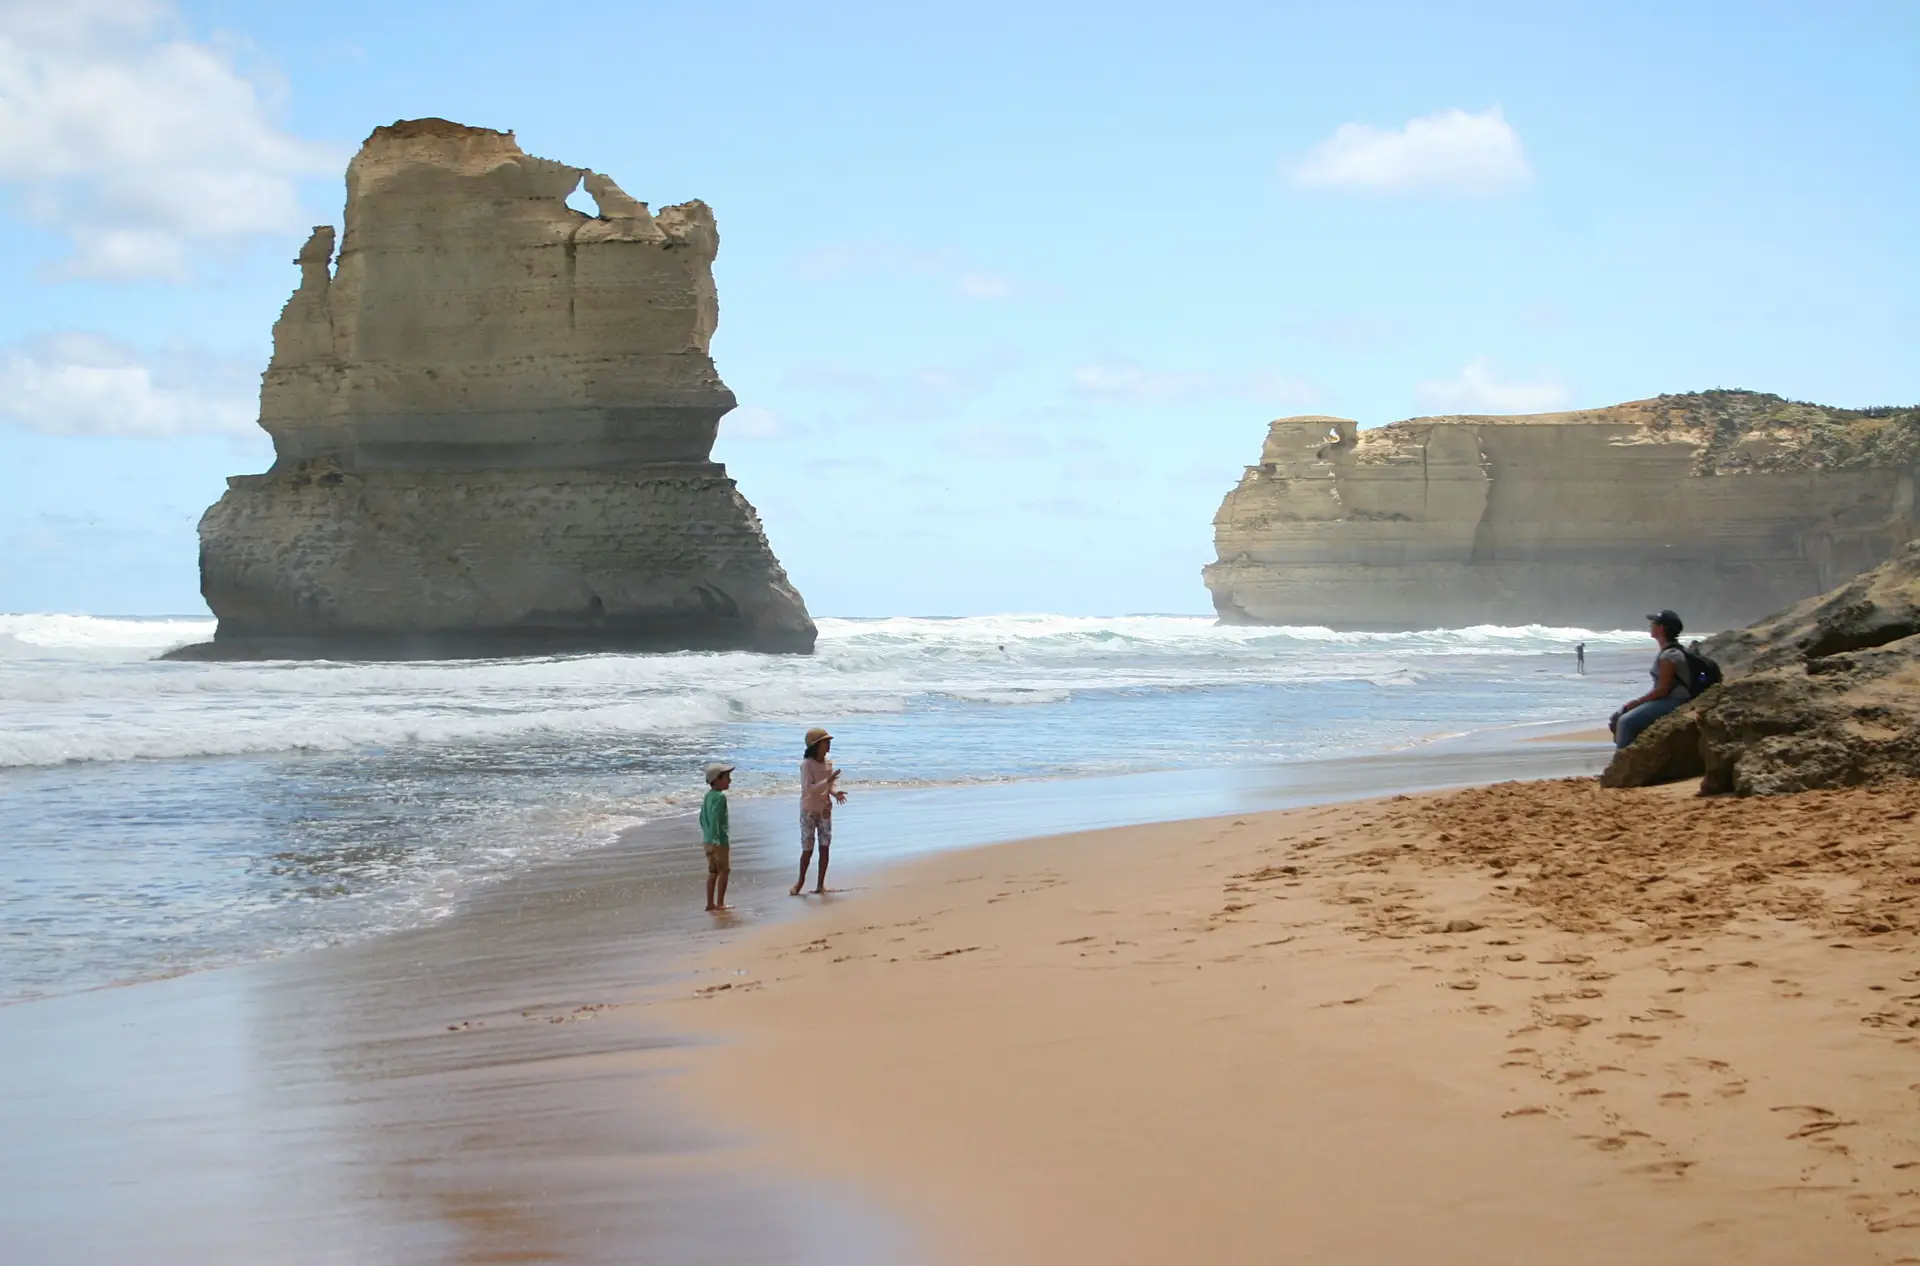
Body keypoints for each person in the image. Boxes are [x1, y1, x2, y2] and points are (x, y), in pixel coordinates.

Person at [1609, 610, 1692, 749]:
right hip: (1669, 699)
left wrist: (1637, 702)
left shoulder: (1670, 655)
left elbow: (1663, 690)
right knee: (1619, 716)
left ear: (1662, 628)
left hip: (1675, 700)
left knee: (1625, 722)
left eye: (1654, 623)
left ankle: (1621, 762)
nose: (1651, 625)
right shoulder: (1670, 651)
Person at [792, 726, 847, 896]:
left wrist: (835, 792)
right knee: (807, 850)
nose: (828, 745)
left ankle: (820, 884)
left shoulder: (828, 763)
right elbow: (809, 789)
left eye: (829, 742)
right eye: (825, 742)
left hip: (825, 810)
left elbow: (829, 785)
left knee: (825, 847)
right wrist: (828, 781)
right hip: (809, 810)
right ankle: (800, 882)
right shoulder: (807, 765)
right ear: (815, 745)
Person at [700, 762, 733, 912]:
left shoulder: (708, 796)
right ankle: (720, 903)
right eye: (727, 777)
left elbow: (702, 817)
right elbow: (715, 819)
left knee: (713, 872)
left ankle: (709, 903)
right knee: (724, 871)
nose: (730, 780)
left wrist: (708, 836)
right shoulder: (720, 797)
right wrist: (718, 839)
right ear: (717, 779)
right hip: (719, 841)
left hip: (707, 840)